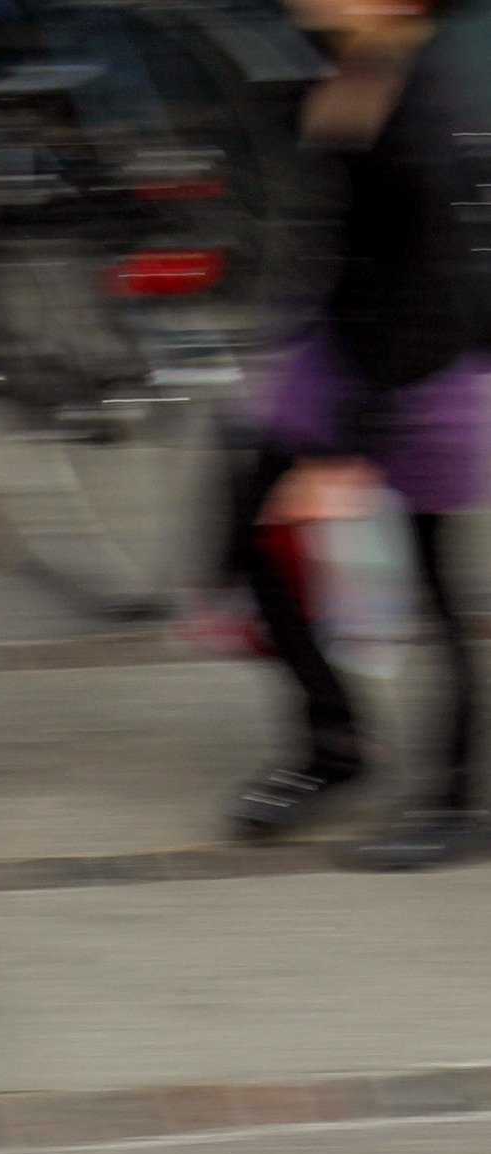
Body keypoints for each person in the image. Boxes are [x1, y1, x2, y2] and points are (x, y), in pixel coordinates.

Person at [224, 0, 484, 869]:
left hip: (417, 373)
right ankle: (333, 747)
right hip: (339, 350)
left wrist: (345, 449)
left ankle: (450, 805)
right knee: (247, 545)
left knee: (427, 594)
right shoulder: (353, 67)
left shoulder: (424, 115)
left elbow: (426, 286)